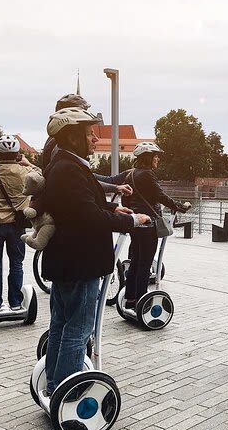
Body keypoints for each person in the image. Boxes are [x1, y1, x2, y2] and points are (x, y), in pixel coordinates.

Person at [41, 107, 150, 395]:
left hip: (66, 261)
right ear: (73, 136)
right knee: (78, 329)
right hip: (81, 262)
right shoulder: (69, 169)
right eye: (89, 133)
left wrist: (115, 207)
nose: (93, 139)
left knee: (61, 326)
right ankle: (70, 392)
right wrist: (131, 221)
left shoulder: (63, 165)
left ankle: (54, 383)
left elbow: (83, 203)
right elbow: (87, 216)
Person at [116, 142, 189, 310]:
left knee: (135, 262)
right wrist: (180, 206)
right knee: (145, 264)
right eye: (155, 156)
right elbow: (160, 196)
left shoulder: (131, 175)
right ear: (147, 158)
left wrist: (133, 216)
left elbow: (126, 201)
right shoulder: (148, 175)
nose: (158, 159)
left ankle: (130, 298)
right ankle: (142, 302)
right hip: (148, 225)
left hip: (135, 224)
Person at [0, 135, 41, 311]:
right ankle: (15, 302)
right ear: (17, 153)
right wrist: (27, 163)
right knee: (16, 263)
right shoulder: (26, 172)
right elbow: (41, 176)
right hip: (17, 225)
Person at [41, 93, 132, 197]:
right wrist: (115, 188)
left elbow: (88, 177)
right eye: (83, 111)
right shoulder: (61, 147)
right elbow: (81, 182)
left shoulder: (57, 141)